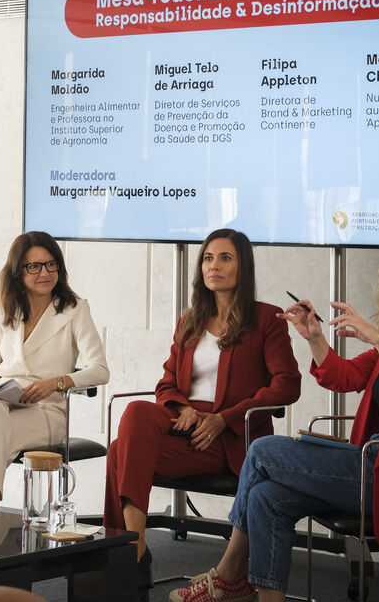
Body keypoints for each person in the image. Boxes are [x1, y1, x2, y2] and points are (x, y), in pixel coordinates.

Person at [170, 232, 379, 602]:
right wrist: (314, 337)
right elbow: (347, 377)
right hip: (369, 465)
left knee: (261, 450)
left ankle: (229, 574)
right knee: (265, 496)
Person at [104, 228, 301, 599]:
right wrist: (185, 408)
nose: (215, 265)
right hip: (186, 424)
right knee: (135, 413)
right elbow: (166, 383)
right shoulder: (191, 320)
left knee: (119, 453)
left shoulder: (267, 318)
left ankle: (127, 557)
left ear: (243, 266)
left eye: (225, 257)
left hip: (230, 437)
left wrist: (223, 418)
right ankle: (136, 548)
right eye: (208, 258)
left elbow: (287, 385)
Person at [0, 231, 109, 511]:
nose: (44, 272)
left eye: (50, 264)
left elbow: (100, 370)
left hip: (46, 413)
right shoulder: (4, 311)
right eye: (33, 266)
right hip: (2, 405)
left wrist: (56, 383)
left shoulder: (74, 310)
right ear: (17, 272)